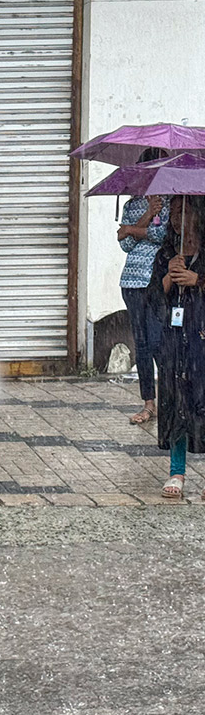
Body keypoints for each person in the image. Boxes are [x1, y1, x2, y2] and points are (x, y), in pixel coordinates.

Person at [153, 195, 205, 499]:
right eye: (173, 211)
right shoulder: (167, 253)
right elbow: (152, 298)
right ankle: (176, 470)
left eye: (183, 210)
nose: (177, 218)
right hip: (175, 340)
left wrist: (198, 279)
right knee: (177, 402)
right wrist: (169, 278)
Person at [117, 149, 170, 425]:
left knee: (159, 341)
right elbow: (124, 244)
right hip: (131, 282)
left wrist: (131, 229)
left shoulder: (171, 201)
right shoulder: (132, 204)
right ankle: (149, 403)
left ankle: (170, 398)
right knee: (142, 345)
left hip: (159, 281)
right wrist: (147, 215)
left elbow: (162, 236)